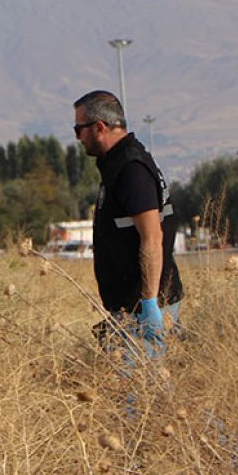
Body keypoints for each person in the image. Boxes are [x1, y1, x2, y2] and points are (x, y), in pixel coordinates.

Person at [73, 90, 183, 368]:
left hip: (143, 309)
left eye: (79, 129)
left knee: (139, 396)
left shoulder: (130, 169)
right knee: (145, 394)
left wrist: (149, 304)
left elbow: (152, 237)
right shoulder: (116, 165)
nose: (77, 137)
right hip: (130, 308)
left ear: (100, 127)